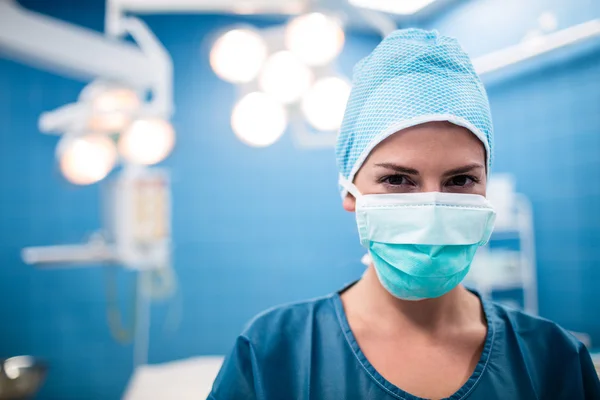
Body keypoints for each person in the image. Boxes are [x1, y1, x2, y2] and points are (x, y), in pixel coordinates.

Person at [208, 29, 600, 400]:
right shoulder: (272, 355)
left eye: (460, 180)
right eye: (398, 179)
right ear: (349, 191)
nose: (431, 208)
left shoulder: (553, 360)